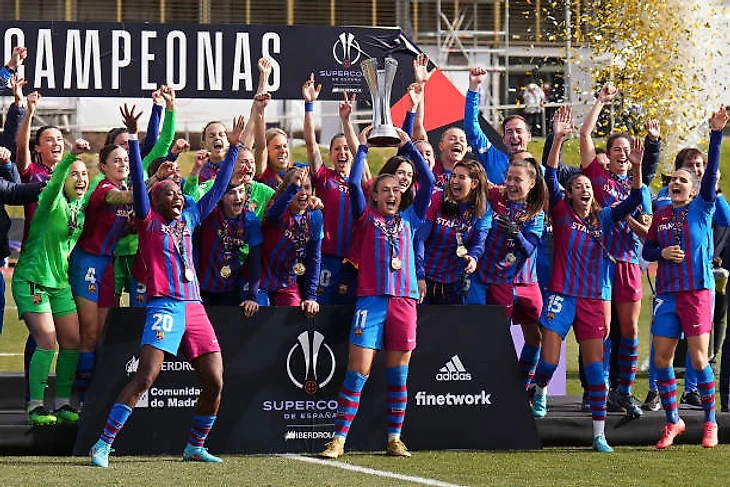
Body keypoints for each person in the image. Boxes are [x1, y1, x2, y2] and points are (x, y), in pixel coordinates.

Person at [89, 103, 244, 467]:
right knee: (146, 377)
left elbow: (220, 187)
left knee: (215, 380)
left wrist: (235, 148)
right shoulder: (147, 219)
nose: (178, 197)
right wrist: (132, 142)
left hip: (194, 305)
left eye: (179, 193)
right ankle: (103, 444)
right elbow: (141, 187)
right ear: (156, 200)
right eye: (170, 193)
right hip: (164, 305)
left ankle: (194, 446)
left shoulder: (191, 215)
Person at [531, 106, 644, 453]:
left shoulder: (606, 217)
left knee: (596, 372)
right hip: (562, 295)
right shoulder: (561, 211)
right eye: (577, 185)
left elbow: (637, 199)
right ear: (570, 193)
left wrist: (638, 168)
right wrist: (558, 139)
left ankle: (598, 434)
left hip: (595, 299)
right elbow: (550, 175)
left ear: (593, 194)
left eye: (586, 185)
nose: (583, 188)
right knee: (549, 362)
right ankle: (538, 390)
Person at [320, 125, 435, 459]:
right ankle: (339, 440)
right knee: (358, 373)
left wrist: (409, 145)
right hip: (370, 301)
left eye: (396, 190)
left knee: (399, 376)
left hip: (404, 302)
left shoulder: (411, 217)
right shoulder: (365, 216)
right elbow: (355, 182)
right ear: (374, 195)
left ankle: (394, 439)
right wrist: (364, 149)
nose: (392, 193)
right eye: (384, 189)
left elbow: (427, 181)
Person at [642, 106, 728, 450]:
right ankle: (673, 420)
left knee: (697, 358)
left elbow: (709, 178)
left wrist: (716, 133)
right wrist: (661, 254)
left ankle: (710, 422)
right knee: (662, 360)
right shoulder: (661, 214)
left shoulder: (703, 206)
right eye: (674, 179)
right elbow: (648, 251)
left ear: (693, 190)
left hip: (696, 291)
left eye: (684, 180)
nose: (677, 182)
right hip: (667, 293)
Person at [578, 83, 654, 418]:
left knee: (630, 329)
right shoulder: (597, 178)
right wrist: (600, 102)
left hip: (627, 262)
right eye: (617, 149)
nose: (623, 153)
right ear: (607, 155)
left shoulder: (642, 190)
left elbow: (647, 230)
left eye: (628, 149)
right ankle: (597, 389)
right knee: (601, 330)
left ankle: (623, 391)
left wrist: (623, 219)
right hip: (600, 263)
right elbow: (584, 136)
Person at [12, 141, 89, 425]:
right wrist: (70, 158)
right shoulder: (50, 199)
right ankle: (34, 407)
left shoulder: (79, 208)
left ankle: (63, 404)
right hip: (32, 279)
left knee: (73, 341)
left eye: (84, 174)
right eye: (74, 174)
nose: (80, 179)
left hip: (60, 283)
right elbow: (55, 182)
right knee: (47, 339)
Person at [467, 155, 547, 388]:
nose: (511, 184)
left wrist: (516, 233)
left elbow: (529, 249)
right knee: (477, 329)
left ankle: (516, 387)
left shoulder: (535, 213)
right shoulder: (494, 196)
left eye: (517, 179)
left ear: (531, 184)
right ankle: (474, 383)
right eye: (508, 178)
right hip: (479, 277)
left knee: (500, 336)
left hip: (503, 280)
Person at [68, 141, 134, 404]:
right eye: (116, 160)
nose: (123, 164)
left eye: (125, 160)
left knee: (102, 336)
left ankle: (95, 398)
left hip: (108, 265)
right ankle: (79, 399)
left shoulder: (126, 188)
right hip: (88, 263)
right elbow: (118, 200)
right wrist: (151, 187)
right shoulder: (104, 189)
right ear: (102, 166)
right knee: (89, 334)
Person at [302, 74, 359, 304]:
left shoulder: (361, 182)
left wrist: (346, 122)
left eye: (346, 148)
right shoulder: (325, 177)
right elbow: (310, 144)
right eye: (337, 149)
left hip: (352, 261)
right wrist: (309, 105)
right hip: (325, 258)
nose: (343, 153)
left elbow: (360, 152)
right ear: (331, 154)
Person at [416, 160, 491, 305]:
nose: (455, 181)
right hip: (425, 277)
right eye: (454, 176)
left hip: (452, 283)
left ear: (474, 183)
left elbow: (479, 243)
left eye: (461, 178)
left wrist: (473, 257)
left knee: (448, 326)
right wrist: (419, 276)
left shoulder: (483, 208)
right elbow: (420, 239)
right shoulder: (437, 198)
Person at [258, 167, 322, 313]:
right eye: (299, 187)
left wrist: (311, 296)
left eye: (307, 188)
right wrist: (294, 186)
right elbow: (274, 214)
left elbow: (314, 258)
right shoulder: (277, 209)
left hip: (287, 284)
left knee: (292, 316)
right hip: (260, 281)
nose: (304, 193)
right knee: (259, 316)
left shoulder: (315, 216)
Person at [196, 177, 262, 313]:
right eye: (232, 193)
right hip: (200, 289)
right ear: (221, 197)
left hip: (230, 288)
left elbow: (256, 260)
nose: (238, 196)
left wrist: (252, 296)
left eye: (241, 191)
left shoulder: (250, 220)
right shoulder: (210, 213)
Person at [465, 66, 529, 185]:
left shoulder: (541, 171)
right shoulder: (493, 158)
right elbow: (472, 128)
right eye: (509, 132)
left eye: (519, 131)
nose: (514, 136)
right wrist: (474, 88)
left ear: (529, 136)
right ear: (503, 139)